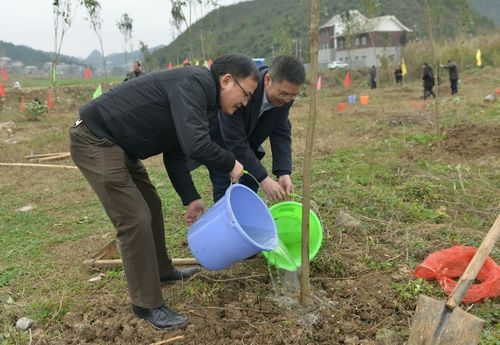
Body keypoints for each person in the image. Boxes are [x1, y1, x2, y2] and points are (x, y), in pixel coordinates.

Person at [69, 54, 258, 331]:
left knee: (152, 205)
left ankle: (162, 271)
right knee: (134, 218)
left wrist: (190, 197)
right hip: (95, 139)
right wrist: (230, 163)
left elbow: (176, 152)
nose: (244, 103)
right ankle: (146, 305)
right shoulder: (195, 84)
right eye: (245, 94)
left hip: (120, 146)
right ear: (227, 80)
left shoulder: (203, 101)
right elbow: (196, 144)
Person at [206, 55, 306, 202]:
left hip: (249, 144)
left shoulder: (286, 97)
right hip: (223, 144)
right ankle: (226, 219)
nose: (286, 100)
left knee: (250, 183)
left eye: (293, 96)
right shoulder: (243, 89)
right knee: (225, 191)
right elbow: (234, 140)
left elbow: (281, 129)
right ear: (267, 80)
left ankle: (247, 217)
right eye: (283, 94)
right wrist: (264, 179)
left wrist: (284, 172)